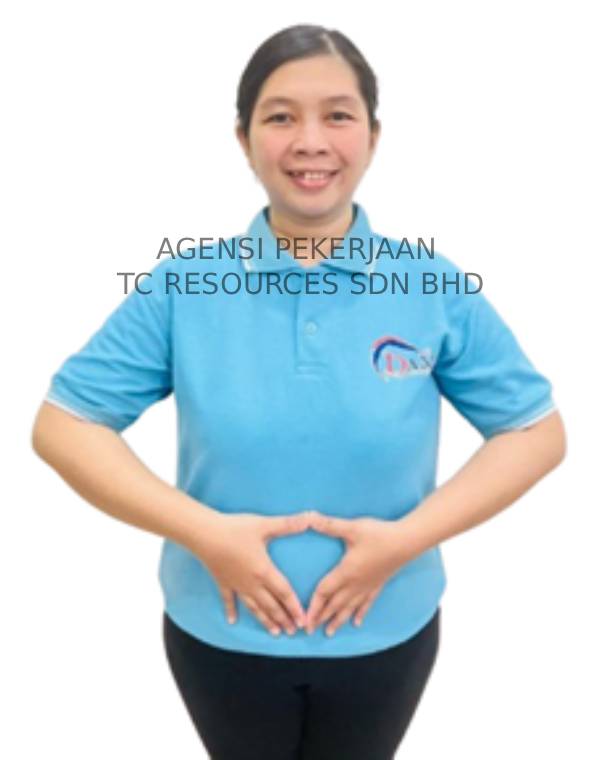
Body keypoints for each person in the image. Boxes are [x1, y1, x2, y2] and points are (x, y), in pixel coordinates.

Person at [31, 23, 566, 760]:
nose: (311, 141)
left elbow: (535, 432)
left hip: (388, 627)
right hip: (220, 630)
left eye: (338, 115)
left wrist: (404, 542)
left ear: (373, 136)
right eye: (281, 117)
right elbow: (64, 424)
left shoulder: (431, 285)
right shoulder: (185, 286)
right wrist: (206, 534)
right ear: (244, 139)